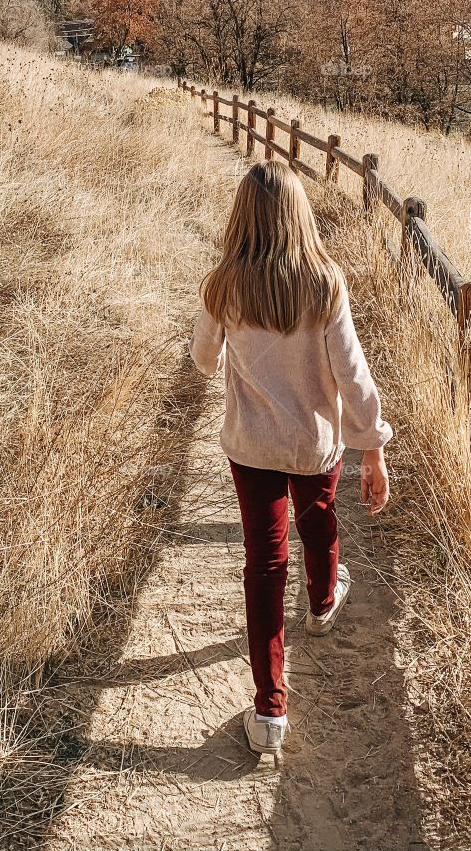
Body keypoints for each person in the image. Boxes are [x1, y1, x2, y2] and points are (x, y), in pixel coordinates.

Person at [188, 159, 392, 757]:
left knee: (264, 563)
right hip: (314, 443)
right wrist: (373, 448)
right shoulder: (326, 283)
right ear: (300, 214)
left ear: (240, 218)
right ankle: (324, 601)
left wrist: (236, 369)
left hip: (251, 446)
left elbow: (203, 358)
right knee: (319, 519)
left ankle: (269, 711)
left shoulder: (223, 283)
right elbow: (351, 377)